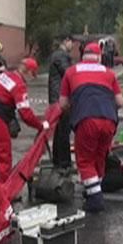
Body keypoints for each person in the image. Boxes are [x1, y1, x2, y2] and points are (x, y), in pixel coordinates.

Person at [59, 42, 123, 212]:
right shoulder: (109, 73)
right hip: (109, 120)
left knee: (85, 160)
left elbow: (63, 104)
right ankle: (94, 189)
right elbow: (120, 102)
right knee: (99, 157)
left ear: (82, 56)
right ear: (99, 57)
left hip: (86, 119)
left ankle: (95, 199)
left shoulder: (71, 72)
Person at [0, 58, 49, 182]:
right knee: (3, 158)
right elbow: (25, 114)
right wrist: (40, 125)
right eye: (33, 75)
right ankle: (3, 193)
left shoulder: (4, 76)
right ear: (28, 71)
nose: (32, 79)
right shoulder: (19, 85)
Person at [48, 34, 74, 170]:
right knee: (63, 131)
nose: (73, 46)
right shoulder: (61, 56)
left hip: (56, 97)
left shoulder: (57, 55)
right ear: (66, 41)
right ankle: (64, 162)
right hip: (61, 98)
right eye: (72, 42)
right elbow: (69, 74)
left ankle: (58, 160)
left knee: (59, 132)